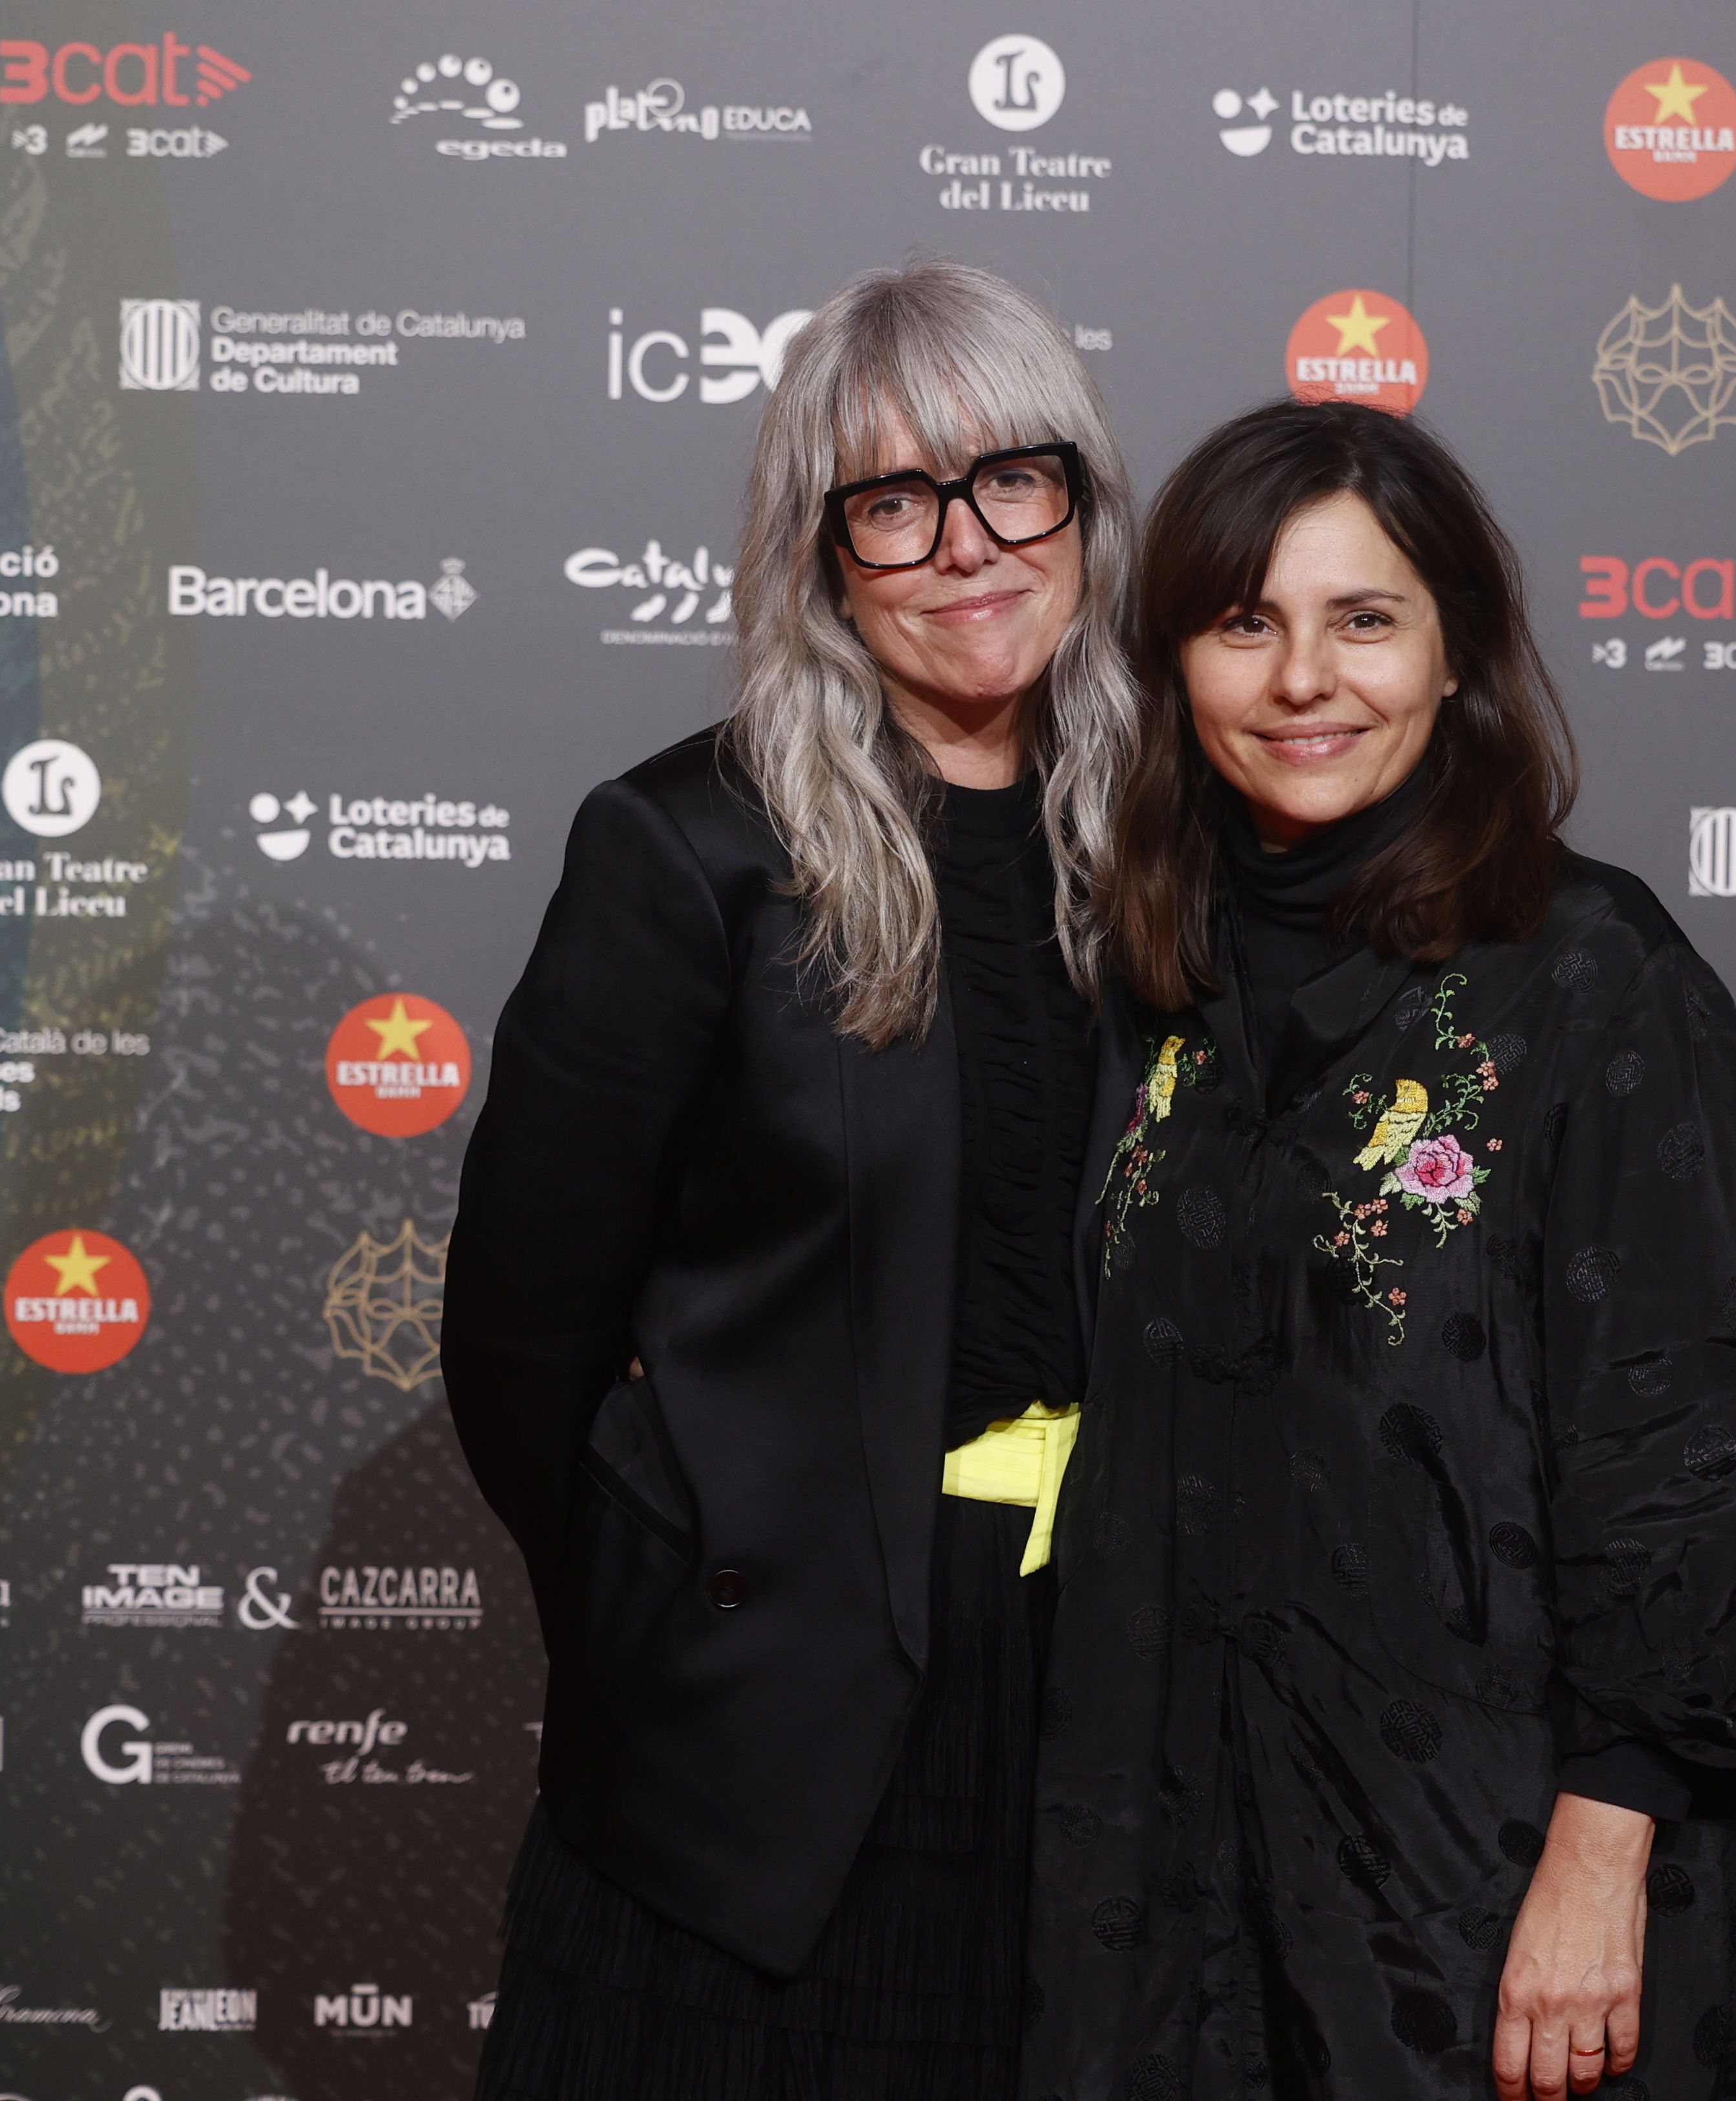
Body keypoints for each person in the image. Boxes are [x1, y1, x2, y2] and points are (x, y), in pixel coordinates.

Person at [1023, 400, 1736, 2101]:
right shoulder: (1138, 989)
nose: (1303, 676)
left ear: (1455, 650)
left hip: (1491, 1897)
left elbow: (1688, 1458)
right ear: (1178, 664)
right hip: (1167, 1887)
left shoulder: (1597, 983)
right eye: (1247, 622)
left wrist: (1600, 1868)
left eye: (1362, 618)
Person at [441, 259, 1140, 2099]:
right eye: (893, 502)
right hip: (776, 1736)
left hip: (1112, 1692)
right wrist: (688, 1599)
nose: (967, 545)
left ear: (1085, 499)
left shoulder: (1168, 842)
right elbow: (523, 1338)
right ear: (823, 550)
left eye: (1014, 480)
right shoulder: (688, 849)